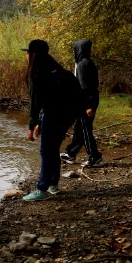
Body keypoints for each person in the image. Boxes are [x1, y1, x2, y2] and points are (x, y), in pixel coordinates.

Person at [21, 39, 82, 201]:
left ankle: (42, 189)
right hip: (68, 115)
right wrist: (41, 122)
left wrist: (32, 125)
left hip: (55, 114)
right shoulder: (56, 69)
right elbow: (51, 98)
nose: (26, 56)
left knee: (46, 151)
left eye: (27, 52)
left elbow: (36, 103)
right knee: (53, 149)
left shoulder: (37, 73)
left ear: (33, 55)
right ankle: (53, 184)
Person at [60, 39, 102, 167]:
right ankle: (71, 153)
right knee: (79, 127)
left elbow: (85, 87)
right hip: (86, 101)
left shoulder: (83, 64)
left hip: (86, 102)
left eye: (76, 48)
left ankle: (95, 157)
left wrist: (88, 106)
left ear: (79, 49)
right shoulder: (87, 62)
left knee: (85, 130)